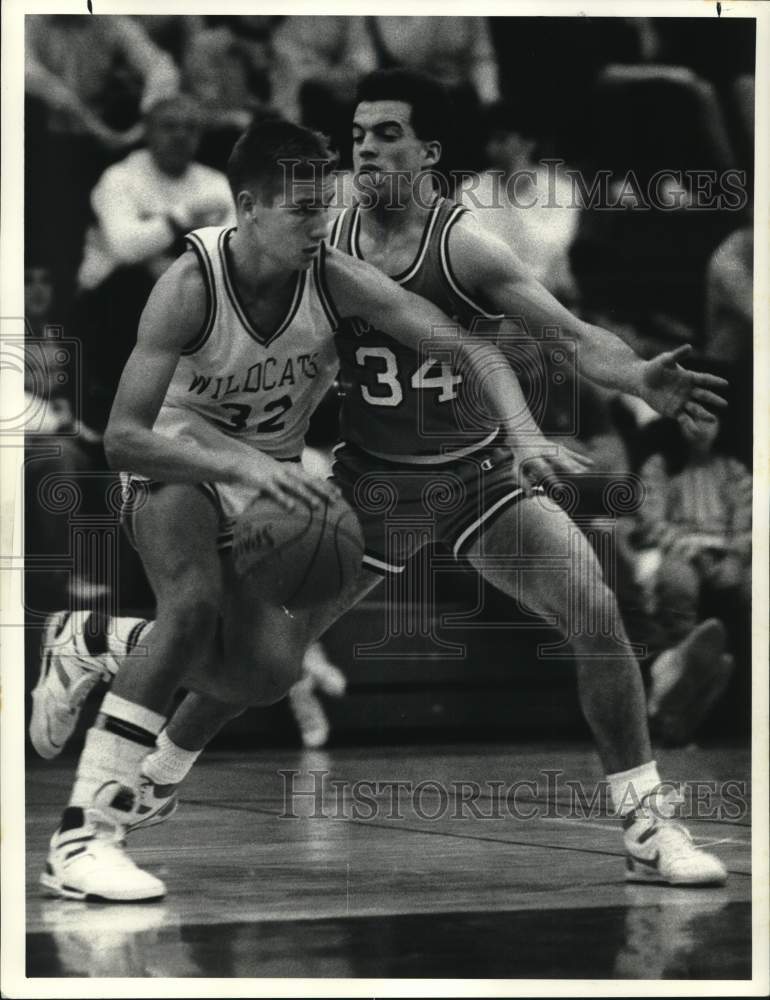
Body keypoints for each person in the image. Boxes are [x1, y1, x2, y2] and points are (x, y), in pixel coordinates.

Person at [34, 72, 730, 898]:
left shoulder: (457, 244)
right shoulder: (305, 234)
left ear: (428, 153)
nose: (365, 149)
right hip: (367, 488)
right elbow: (131, 426)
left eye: (386, 135)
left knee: (598, 615)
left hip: (477, 478)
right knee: (257, 655)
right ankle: (151, 772)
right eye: (358, 134)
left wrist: (627, 384)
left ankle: (648, 826)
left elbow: (567, 338)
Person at [75, 93, 235, 430]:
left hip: (187, 295)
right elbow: (125, 248)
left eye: (190, 128)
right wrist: (183, 216)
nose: (180, 135)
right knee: (135, 285)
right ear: (147, 131)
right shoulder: (120, 178)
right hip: (113, 302)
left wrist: (174, 268)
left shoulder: (215, 183)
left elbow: (231, 254)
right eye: (169, 126)